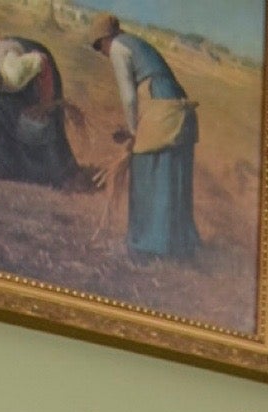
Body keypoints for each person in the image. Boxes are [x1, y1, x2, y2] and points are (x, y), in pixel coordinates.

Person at [88, 11, 199, 260]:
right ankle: (177, 246)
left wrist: (133, 132)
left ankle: (146, 247)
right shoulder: (135, 42)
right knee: (171, 171)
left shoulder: (117, 48)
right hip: (173, 105)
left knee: (147, 169)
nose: (102, 53)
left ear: (104, 40)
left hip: (161, 107)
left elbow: (129, 96)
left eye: (99, 47)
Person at [0, 38, 80, 186]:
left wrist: (45, 103)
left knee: (43, 122)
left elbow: (42, 62)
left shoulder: (12, 71)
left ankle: (62, 172)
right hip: (5, 72)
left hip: (37, 66)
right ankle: (1, 162)